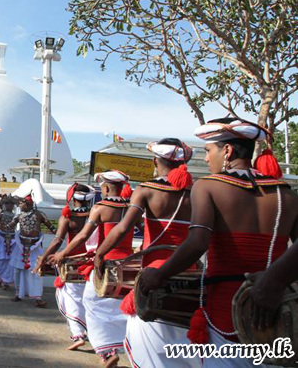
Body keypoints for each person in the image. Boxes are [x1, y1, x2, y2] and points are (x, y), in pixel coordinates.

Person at [138, 118, 297, 368]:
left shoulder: (209, 186)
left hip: (227, 317)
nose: (205, 159)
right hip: (278, 317)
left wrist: (160, 274)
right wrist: (274, 280)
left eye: (208, 150)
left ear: (227, 151)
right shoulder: (285, 193)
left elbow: (198, 243)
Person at [95, 140, 199, 367]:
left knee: (145, 336)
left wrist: (100, 255)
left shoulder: (147, 190)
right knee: (181, 337)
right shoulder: (199, 192)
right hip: (189, 272)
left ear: (156, 161)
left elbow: (123, 229)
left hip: (154, 274)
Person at [48, 170, 132, 368]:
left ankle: (106, 350)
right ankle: (123, 345)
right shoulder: (131, 209)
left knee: (91, 303)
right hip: (128, 263)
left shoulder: (101, 207)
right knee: (121, 307)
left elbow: (83, 236)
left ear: (104, 187)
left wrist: (62, 254)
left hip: (105, 264)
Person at [35, 183, 95, 351]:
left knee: (70, 296)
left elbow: (57, 240)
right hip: (94, 262)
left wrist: (44, 258)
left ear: (71, 198)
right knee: (89, 298)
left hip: (73, 263)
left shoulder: (68, 217)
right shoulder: (97, 215)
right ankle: (93, 332)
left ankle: (78, 334)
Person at [6, 195, 56, 307]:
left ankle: (37, 297)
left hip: (35, 247)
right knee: (17, 271)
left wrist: (58, 233)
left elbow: (51, 226)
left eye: (21, 203)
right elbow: (10, 225)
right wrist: (6, 228)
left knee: (35, 272)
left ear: (27, 203)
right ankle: (18, 294)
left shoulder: (39, 215)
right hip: (21, 247)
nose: (19, 205)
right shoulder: (19, 216)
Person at [0, 197, 17, 290]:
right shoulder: (1, 214)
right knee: (0, 262)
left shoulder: (15, 216)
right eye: (8, 204)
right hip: (2, 239)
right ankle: (0, 278)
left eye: (11, 204)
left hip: (12, 240)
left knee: (9, 262)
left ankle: (5, 281)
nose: (10, 205)